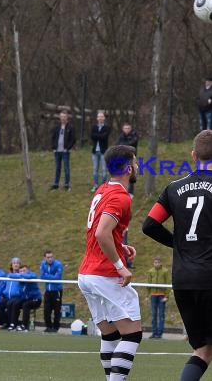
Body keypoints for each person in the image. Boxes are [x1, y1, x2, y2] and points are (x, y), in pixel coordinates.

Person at [143, 130, 212, 381]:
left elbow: (149, 225)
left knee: (202, 350)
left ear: (193, 155)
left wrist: (179, 244)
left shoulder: (173, 188)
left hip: (183, 280)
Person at [78, 144, 142, 380]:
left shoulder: (103, 190)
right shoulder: (120, 197)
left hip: (87, 273)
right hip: (104, 273)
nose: (136, 166)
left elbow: (101, 231)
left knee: (111, 335)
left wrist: (120, 246)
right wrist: (120, 266)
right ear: (126, 167)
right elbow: (101, 233)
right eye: (134, 162)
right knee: (132, 333)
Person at [50, 110, 75, 191]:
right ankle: (56, 184)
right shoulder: (56, 127)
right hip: (57, 151)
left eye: (64, 117)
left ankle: (67, 184)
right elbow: (53, 138)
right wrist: (53, 148)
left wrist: (67, 148)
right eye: (61, 117)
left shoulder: (70, 127)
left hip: (65, 152)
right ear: (60, 118)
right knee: (57, 168)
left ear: (67, 117)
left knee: (66, 168)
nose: (63, 118)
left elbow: (73, 139)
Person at [40, 250, 64, 333]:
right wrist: (51, 277)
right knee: (46, 310)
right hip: (48, 291)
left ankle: (56, 327)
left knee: (57, 310)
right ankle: (48, 327)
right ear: (45, 258)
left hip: (57, 291)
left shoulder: (58, 264)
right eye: (48, 257)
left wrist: (48, 276)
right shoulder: (43, 264)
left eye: (51, 257)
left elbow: (57, 277)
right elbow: (42, 276)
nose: (50, 259)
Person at [147, 255, 170, 339]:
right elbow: (148, 284)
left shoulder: (165, 271)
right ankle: (154, 333)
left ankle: (159, 334)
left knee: (161, 315)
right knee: (154, 315)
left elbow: (168, 284)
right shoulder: (150, 271)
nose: (156, 264)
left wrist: (167, 296)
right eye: (155, 262)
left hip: (162, 296)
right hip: (153, 296)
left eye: (158, 262)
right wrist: (147, 295)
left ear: (161, 263)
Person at [14, 265, 42, 332]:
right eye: (21, 271)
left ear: (28, 271)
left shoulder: (32, 275)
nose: (22, 272)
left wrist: (21, 275)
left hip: (36, 299)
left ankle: (24, 325)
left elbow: (31, 276)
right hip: (26, 299)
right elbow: (10, 275)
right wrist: (20, 275)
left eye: (24, 271)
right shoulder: (21, 279)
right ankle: (13, 324)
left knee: (26, 305)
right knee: (15, 303)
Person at [91, 111, 111, 192]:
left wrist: (97, 136)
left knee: (104, 169)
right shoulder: (94, 127)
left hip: (103, 151)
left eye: (101, 117)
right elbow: (92, 136)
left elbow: (104, 137)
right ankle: (95, 185)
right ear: (97, 118)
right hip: (95, 151)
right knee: (95, 169)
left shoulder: (107, 127)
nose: (100, 118)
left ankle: (104, 186)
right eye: (99, 116)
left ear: (104, 118)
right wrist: (100, 136)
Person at [116, 122, 139, 195]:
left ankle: (131, 192)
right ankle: (123, 189)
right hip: (122, 158)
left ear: (131, 129)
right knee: (122, 174)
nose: (126, 130)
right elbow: (117, 145)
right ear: (123, 129)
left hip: (131, 158)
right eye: (125, 128)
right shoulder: (121, 136)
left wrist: (123, 145)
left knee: (131, 173)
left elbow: (131, 144)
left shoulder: (134, 135)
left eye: (128, 128)